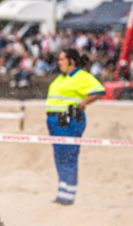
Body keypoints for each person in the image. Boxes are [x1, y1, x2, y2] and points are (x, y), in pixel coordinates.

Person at [45, 48, 104, 205]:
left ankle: (68, 194)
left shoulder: (81, 76)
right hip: (54, 119)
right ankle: (62, 191)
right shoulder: (61, 78)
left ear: (71, 61)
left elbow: (99, 91)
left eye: (62, 59)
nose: (59, 62)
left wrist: (83, 104)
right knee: (59, 155)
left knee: (68, 155)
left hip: (68, 116)